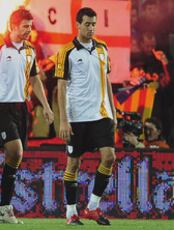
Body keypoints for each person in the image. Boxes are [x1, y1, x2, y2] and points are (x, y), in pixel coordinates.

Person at [0, 8, 54, 224]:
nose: (28, 31)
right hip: (1, 107)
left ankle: (3, 208)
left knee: (15, 157)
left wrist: (47, 107)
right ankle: (4, 207)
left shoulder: (30, 50)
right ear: (12, 26)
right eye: (24, 27)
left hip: (22, 108)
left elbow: (35, 79)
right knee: (15, 151)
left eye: (30, 27)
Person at [55, 7, 116, 226]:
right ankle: (71, 212)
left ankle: (92, 207)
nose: (91, 28)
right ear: (77, 24)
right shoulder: (66, 52)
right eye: (87, 24)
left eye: (93, 24)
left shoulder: (102, 48)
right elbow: (61, 87)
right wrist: (63, 119)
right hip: (76, 117)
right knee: (73, 164)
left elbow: (106, 80)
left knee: (109, 157)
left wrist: (113, 111)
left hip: (100, 114)